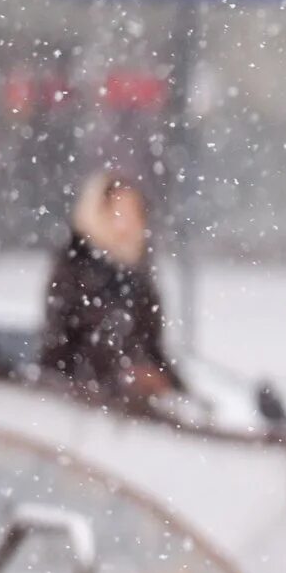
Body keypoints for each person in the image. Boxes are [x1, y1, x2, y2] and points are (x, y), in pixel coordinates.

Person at [38, 169, 184, 410]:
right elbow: (60, 352)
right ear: (98, 212)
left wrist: (167, 384)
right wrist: (120, 379)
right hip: (84, 409)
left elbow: (153, 348)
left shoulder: (138, 275)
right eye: (119, 211)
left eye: (133, 212)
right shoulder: (74, 270)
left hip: (136, 408)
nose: (128, 222)